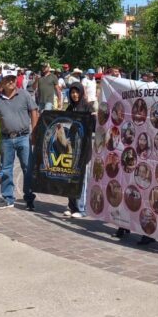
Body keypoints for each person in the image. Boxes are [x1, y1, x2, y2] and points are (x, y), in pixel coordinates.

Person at [0, 69, 38, 210]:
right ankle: (8, 198)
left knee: (28, 168)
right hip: (6, 139)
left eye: (13, 78)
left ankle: (29, 198)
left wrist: (35, 132)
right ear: (2, 81)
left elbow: (34, 111)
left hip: (24, 137)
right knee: (6, 169)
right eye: (8, 79)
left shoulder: (24, 95)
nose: (11, 81)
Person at [62, 83, 92, 218]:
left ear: (81, 93)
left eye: (77, 92)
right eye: (72, 92)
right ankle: (72, 205)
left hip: (83, 147)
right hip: (71, 147)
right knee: (70, 176)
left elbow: (94, 127)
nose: (75, 95)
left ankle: (81, 208)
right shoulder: (69, 108)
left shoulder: (87, 107)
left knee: (81, 178)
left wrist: (94, 117)